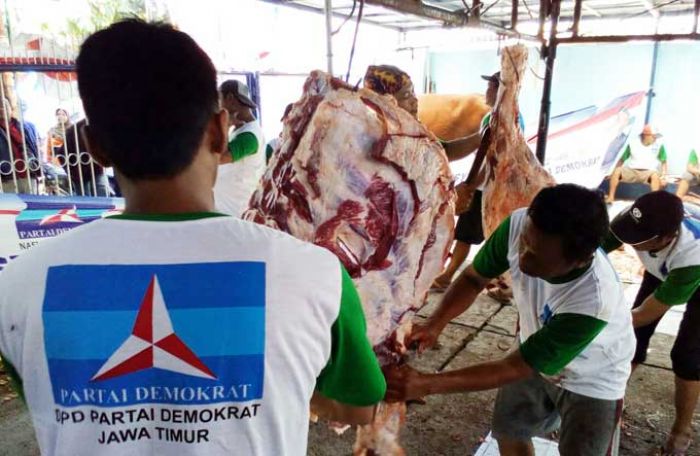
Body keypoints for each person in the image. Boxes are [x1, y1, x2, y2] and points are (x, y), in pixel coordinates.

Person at [0, 20, 385, 456]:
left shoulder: (17, 287)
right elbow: (359, 406)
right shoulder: (316, 275)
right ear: (221, 131)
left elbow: (49, 400)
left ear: (93, 146)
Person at [384, 184, 635, 456]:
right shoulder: (519, 222)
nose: (523, 259)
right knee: (510, 431)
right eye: (525, 243)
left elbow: (517, 366)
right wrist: (436, 323)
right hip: (531, 345)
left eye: (537, 256)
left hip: (594, 374)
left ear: (579, 260)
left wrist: (427, 383)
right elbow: (473, 278)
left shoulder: (594, 299)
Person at [604, 191, 700, 455]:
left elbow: (648, 312)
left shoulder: (692, 253)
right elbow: (591, 250)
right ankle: (610, 405)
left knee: (687, 356)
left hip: (694, 271)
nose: (630, 242)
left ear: (667, 238)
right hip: (665, 267)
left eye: (639, 240)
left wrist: (599, 327)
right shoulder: (633, 221)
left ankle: (681, 431)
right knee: (633, 339)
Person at [433, 72, 525, 290]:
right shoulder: (494, 117)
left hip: (488, 185)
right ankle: (496, 280)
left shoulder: (506, 119)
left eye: (491, 87)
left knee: (466, 235)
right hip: (489, 185)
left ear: (501, 90)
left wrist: (472, 185)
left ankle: (449, 276)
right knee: (482, 234)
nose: (486, 91)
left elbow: (495, 159)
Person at [213, 79, 266, 216]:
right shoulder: (240, 131)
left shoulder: (249, 135)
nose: (218, 105)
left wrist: (225, 124)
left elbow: (220, 158)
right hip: (226, 210)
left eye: (219, 99)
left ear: (230, 98)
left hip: (235, 213)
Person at [606, 124, 668, 203]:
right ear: (646, 135)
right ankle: (611, 197)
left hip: (649, 173)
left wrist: (664, 176)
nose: (655, 138)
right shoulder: (633, 143)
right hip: (632, 171)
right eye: (654, 136)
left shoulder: (659, 145)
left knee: (655, 176)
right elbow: (622, 159)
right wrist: (612, 172)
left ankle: (654, 202)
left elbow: (664, 161)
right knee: (617, 171)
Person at [55, 119, 110, 196]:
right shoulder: (74, 129)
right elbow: (62, 154)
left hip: (90, 168)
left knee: (91, 195)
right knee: (101, 191)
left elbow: (62, 154)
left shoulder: (74, 129)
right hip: (82, 170)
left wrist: (70, 171)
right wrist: (70, 171)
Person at [0, 96, 41, 194]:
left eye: (5, 105)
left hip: (29, 173)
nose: (2, 109)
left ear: (11, 108)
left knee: (32, 207)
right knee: (13, 207)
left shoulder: (26, 127)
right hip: (8, 177)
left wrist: (37, 166)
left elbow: (35, 148)